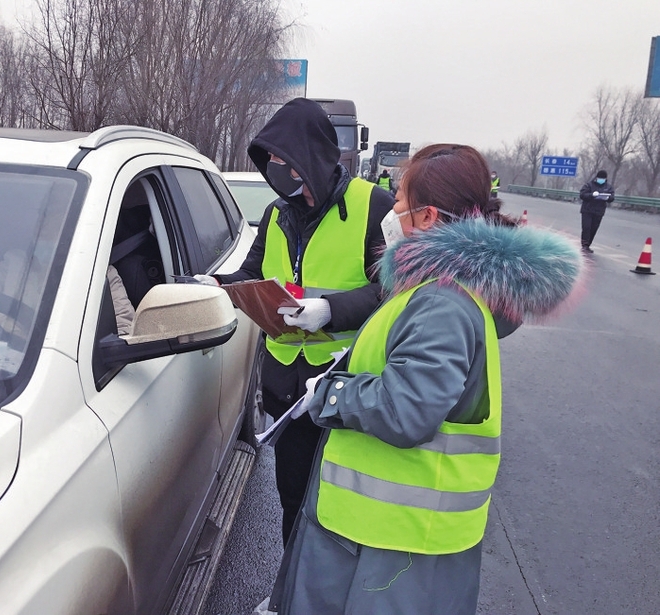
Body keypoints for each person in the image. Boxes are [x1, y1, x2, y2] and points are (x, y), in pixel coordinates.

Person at [269, 144, 585, 614]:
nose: (392, 210)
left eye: (399, 200)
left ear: (428, 216)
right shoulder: (433, 290)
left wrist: (331, 392)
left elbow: (406, 409)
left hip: (389, 546)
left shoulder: (440, 301)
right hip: (395, 539)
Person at [195, 97, 394, 544]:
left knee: (339, 503)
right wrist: (218, 285)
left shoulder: (373, 207)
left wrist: (330, 310)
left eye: (293, 167)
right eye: (278, 167)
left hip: (346, 382)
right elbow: (253, 272)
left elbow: (394, 288)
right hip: (286, 388)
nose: (287, 179)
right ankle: (289, 592)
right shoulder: (276, 214)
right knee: (292, 498)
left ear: (317, 159)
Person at [579, 169, 614, 253]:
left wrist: (608, 197)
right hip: (587, 210)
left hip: (599, 211)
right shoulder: (589, 185)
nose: (601, 180)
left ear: (606, 179)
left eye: (603, 178)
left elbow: (612, 197)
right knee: (586, 228)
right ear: (596, 178)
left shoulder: (608, 187)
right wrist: (592, 195)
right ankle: (585, 245)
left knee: (593, 229)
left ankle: (588, 244)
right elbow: (582, 195)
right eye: (600, 178)